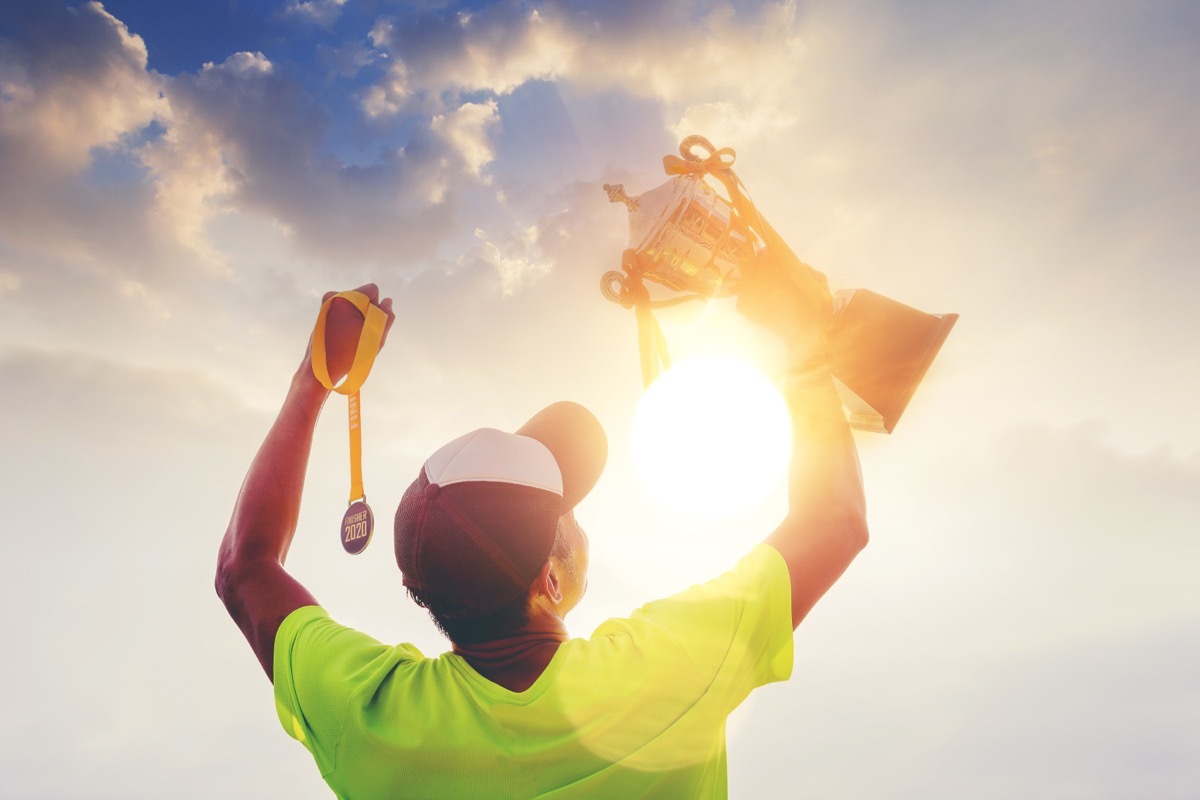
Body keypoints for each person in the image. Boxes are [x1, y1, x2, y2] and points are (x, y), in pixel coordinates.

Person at [216, 276, 868, 799]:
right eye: (566, 516)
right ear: (548, 581)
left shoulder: (374, 721)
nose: (579, 520)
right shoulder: (659, 674)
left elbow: (244, 569)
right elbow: (837, 520)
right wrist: (808, 347)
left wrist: (312, 383)